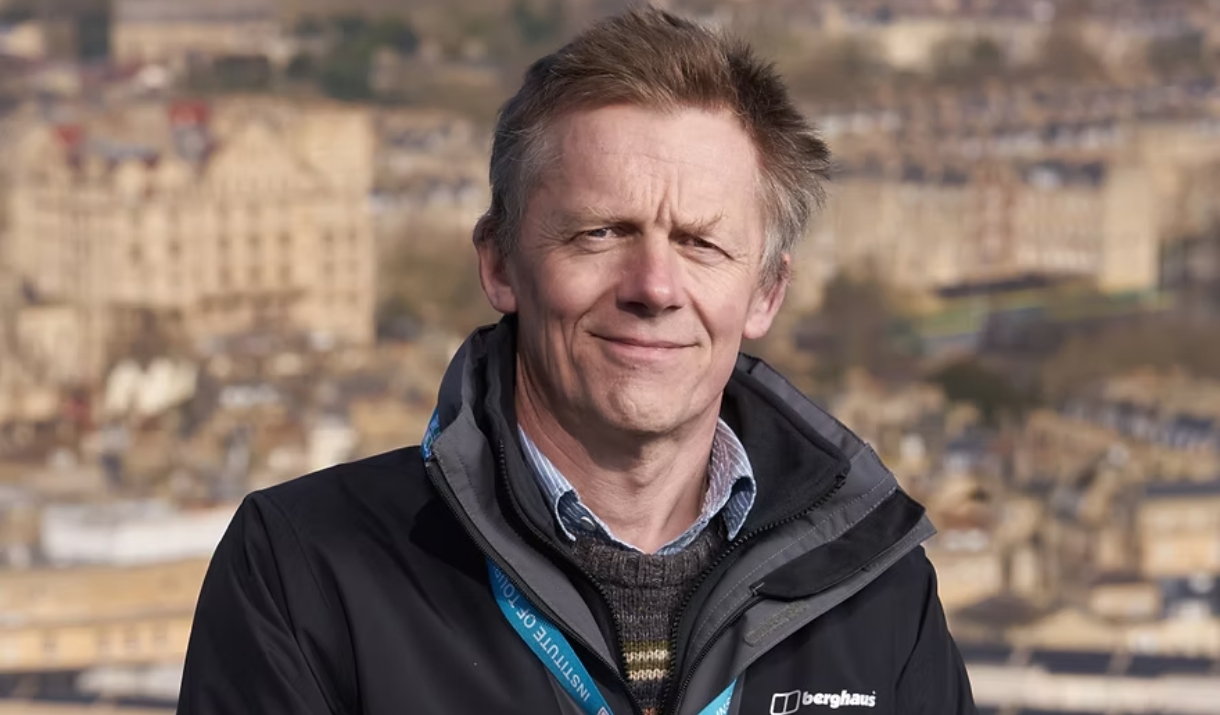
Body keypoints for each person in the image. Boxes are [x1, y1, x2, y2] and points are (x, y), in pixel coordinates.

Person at [178, 7, 976, 715]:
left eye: (701, 243)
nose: (654, 286)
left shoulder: (879, 594)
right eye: (601, 233)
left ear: (766, 292)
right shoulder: (305, 571)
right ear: (499, 263)